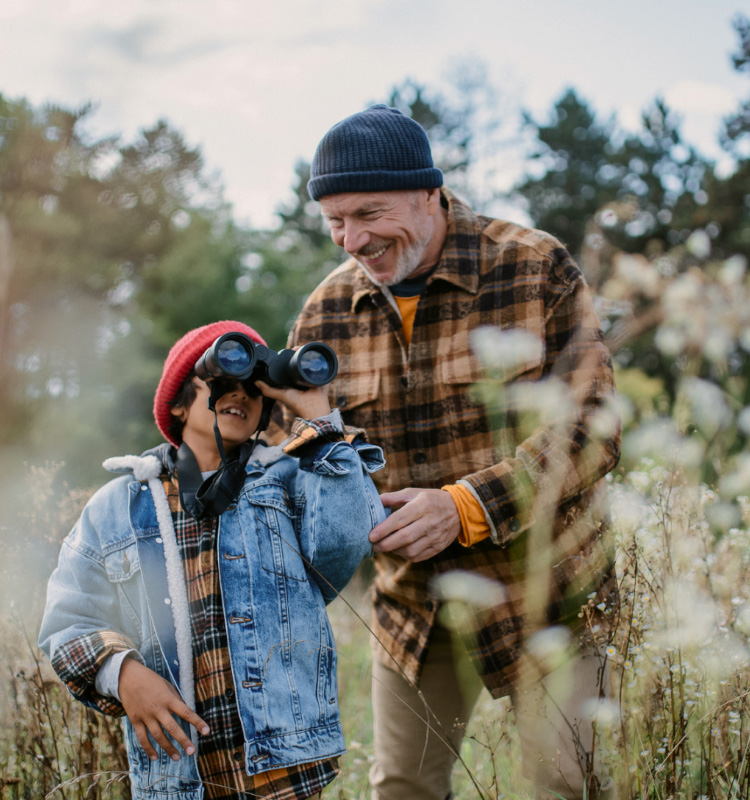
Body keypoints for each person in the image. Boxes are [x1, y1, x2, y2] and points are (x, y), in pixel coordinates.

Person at [282, 105, 622, 800]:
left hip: (548, 594)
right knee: (402, 788)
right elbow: (298, 457)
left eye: (368, 214)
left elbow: (592, 426)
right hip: (413, 608)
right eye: (335, 222)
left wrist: (466, 507)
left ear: (429, 190)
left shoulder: (533, 267)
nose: (353, 239)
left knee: (566, 784)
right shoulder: (324, 315)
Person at [39, 319, 386, 800]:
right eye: (222, 381)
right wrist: (122, 673)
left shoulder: (288, 481)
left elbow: (348, 539)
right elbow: (67, 621)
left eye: (255, 387)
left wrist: (317, 418)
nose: (240, 395)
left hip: (281, 766)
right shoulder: (116, 507)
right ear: (178, 403)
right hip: (178, 776)